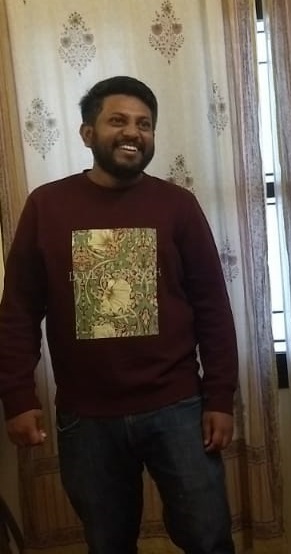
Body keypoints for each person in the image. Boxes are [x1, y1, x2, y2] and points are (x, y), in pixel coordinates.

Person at [0, 76, 238, 554]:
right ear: (88, 132)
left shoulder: (177, 206)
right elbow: (20, 310)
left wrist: (219, 397)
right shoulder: (46, 205)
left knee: (208, 537)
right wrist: (18, 396)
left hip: (178, 407)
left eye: (144, 124)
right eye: (118, 121)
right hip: (86, 417)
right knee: (108, 542)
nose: (133, 132)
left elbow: (212, 306)